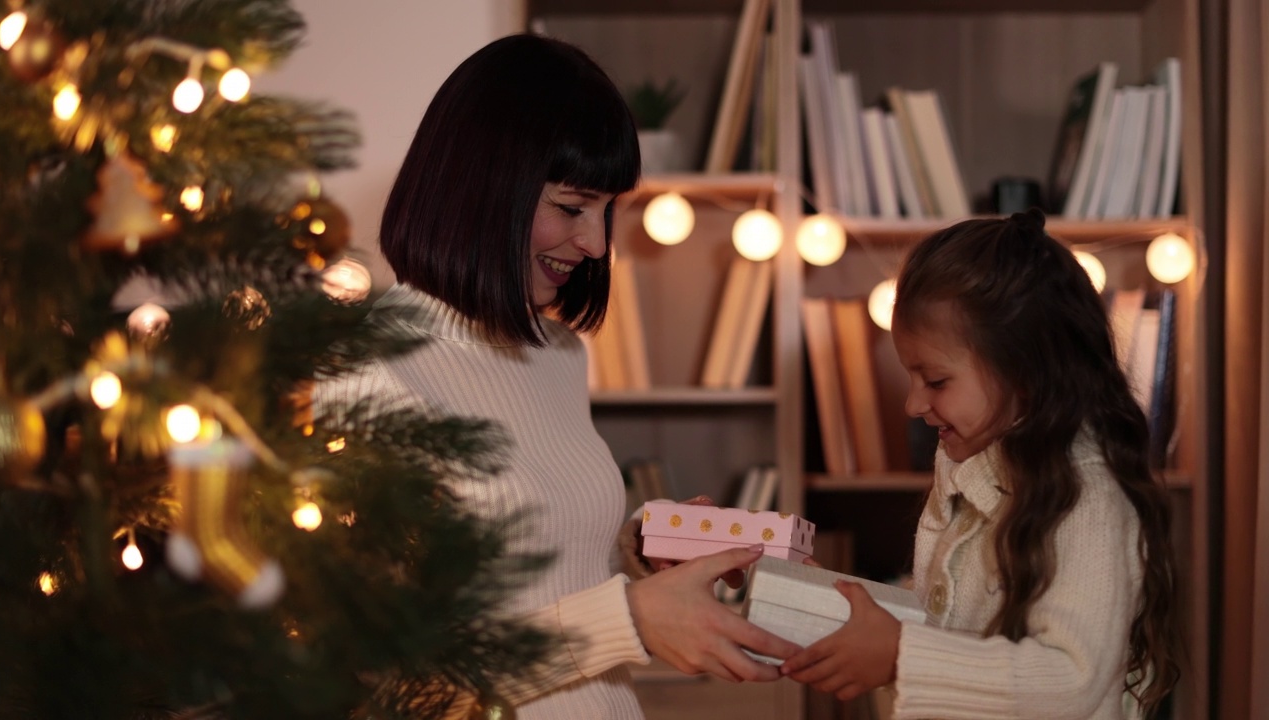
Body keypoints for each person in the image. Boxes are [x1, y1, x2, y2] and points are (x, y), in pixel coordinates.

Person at [317, 33, 799, 719]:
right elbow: (387, 664)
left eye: (608, 211)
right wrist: (630, 617)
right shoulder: (365, 368)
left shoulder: (559, 355)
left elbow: (536, 585)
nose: (598, 244)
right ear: (483, 189)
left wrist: (634, 555)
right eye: (572, 208)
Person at [780, 209, 1181, 719]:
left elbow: (1069, 680)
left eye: (936, 381)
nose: (912, 405)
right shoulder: (972, 465)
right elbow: (952, 626)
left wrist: (901, 654)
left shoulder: (1088, 498)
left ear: (1025, 373)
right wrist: (839, 604)